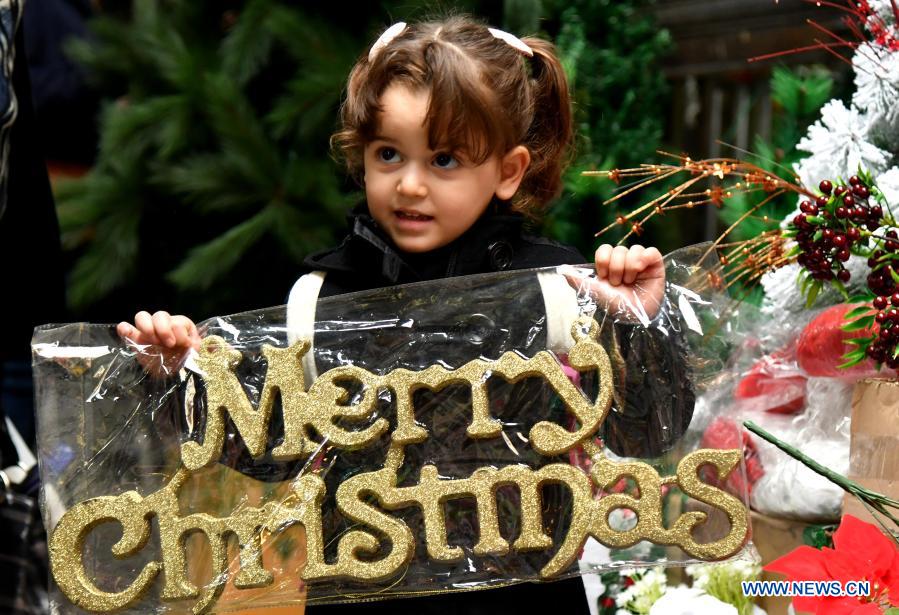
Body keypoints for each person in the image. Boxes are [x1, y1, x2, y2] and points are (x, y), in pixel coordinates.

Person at [117, 15, 688, 614]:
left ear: (508, 171)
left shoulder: (555, 289)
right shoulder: (321, 299)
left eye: (444, 160)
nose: (410, 185)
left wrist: (637, 325)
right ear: (361, 155)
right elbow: (273, 452)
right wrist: (187, 379)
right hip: (365, 584)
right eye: (389, 154)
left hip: (521, 591)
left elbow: (646, 431)